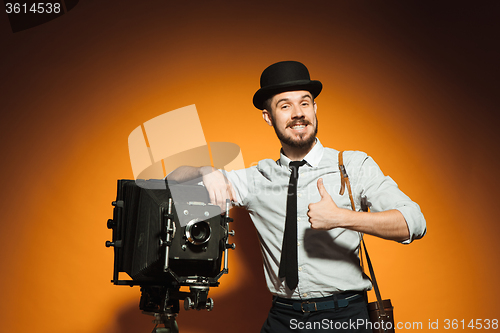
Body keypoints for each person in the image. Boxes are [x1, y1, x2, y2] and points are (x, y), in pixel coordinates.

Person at [167, 61, 426, 332]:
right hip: (283, 317)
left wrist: (342, 218)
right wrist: (205, 170)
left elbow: (414, 222)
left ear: (315, 108)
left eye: (305, 103)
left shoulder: (351, 165)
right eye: (285, 105)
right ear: (268, 117)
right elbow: (171, 180)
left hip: (345, 317)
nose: (298, 114)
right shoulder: (257, 178)